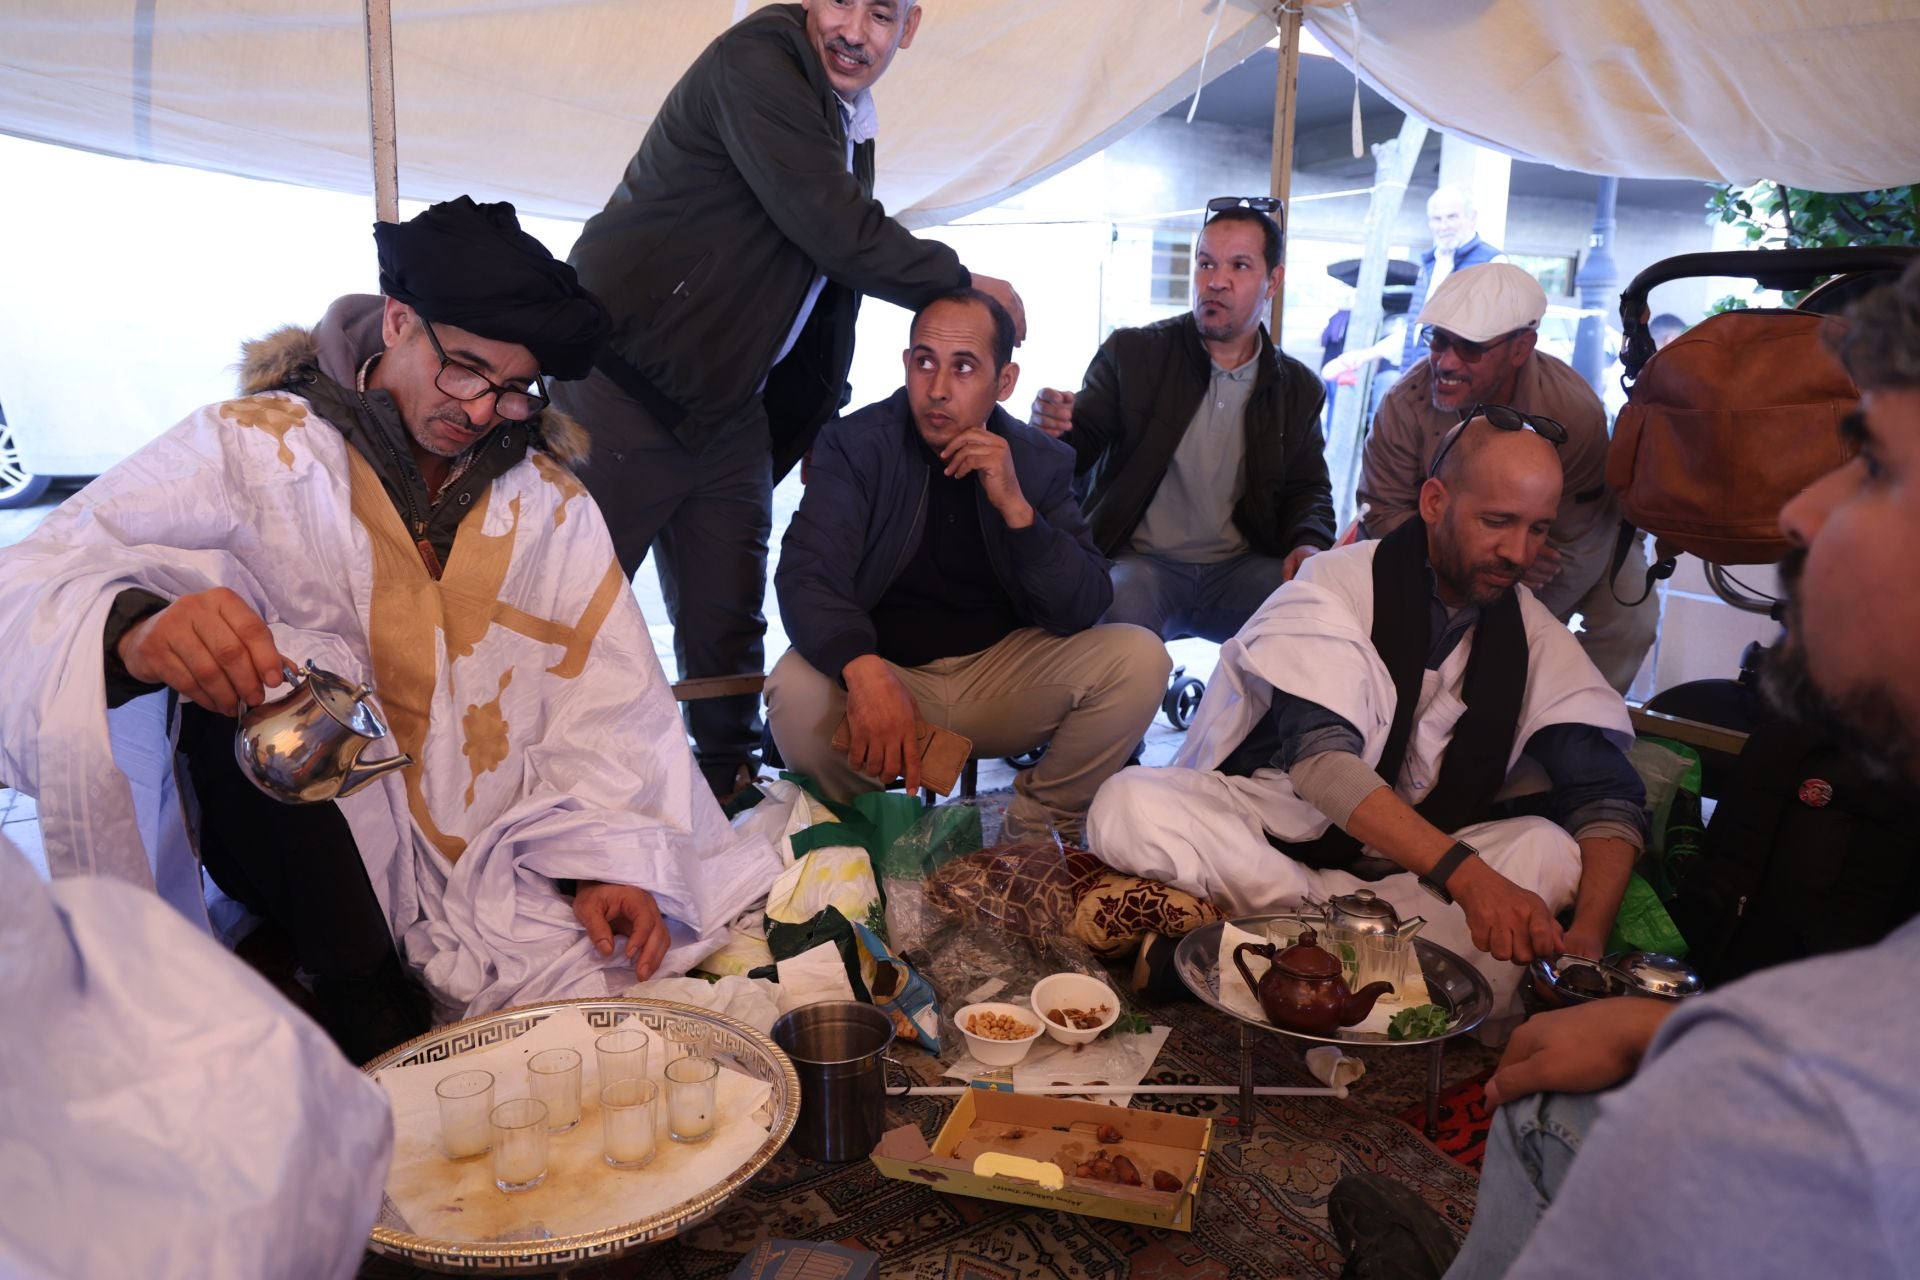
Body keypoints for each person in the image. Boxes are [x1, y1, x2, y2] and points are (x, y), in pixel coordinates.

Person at [0, 198, 783, 1062]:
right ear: (401, 322)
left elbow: (605, 702)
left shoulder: (546, 504)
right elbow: (37, 577)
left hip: (495, 860)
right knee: (278, 673)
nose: (484, 410)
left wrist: (599, 861)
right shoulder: (255, 450)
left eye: (515, 390)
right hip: (294, 839)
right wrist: (135, 629)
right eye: (465, 371)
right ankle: (363, 993)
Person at [1328, 257, 1920, 1280]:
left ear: (1521, 350)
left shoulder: (1800, 1082)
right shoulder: (1386, 470)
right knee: (1142, 807)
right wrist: (1667, 1023)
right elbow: (1321, 761)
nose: (1797, 512)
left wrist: (1649, 996)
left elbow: (1599, 773)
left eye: (1869, 464)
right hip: (1362, 759)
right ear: (1439, 500)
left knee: (1547, 927)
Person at [555, 0, 1026, 797]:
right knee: (571, 605)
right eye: (840, 1)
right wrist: (961, 286)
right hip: (623, 377)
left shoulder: (849, 117)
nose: (855, 30)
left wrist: (817, 412)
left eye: (882, 14)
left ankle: (725, 781)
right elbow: (836, 228)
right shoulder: (759, 63)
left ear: (910, 28)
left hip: (731, 404)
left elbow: (826, 282)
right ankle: (535, 783)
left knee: (728, 613)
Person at [1087, 412, 1646, 1020]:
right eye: (1497, 522)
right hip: (1277, 856)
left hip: (1404, 892)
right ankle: (1385, 982)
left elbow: (1607, 798)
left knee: (1551, 849)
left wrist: (1588, 938)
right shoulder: (1338, 584)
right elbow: (1322, 764)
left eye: (1538, 530)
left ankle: (1254, 958)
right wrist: (1471, 881)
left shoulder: (1531, 634)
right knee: (1129, 804)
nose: (1517, 552)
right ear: (1435, 501)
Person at [768, 289, 1169, 841]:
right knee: (792, 688)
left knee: (1141, 659)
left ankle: (1031, 833)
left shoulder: (1038, 460)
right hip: (889, 676)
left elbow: (1084, 604)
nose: (937, 389)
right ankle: (865, 835)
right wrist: (861, 667)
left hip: (1000, 677)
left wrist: (1019, 510)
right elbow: (806, 575)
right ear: (906, 364)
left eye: (963, 368)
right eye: (925, 362)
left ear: (1003, 383)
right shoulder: (857, 445)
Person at [1027, 200, 1335, 642]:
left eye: (1239, 266)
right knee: (1117, 617)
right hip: (1139, 565)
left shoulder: (1298, 388)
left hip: (1239, 570)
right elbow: (1076, 453)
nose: (1215, 281)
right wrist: (1048, 428)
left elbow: (1308, 489)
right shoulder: (1133, 355)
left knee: (1317, 614)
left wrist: (1309, 541)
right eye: (1206, 263)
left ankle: (1259, 716)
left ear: (1274, 281)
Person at [1358, 263, 1657, 693]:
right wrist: (1463, 565)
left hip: (1567, 540)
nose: (1445, 362)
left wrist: (1511, 608)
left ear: (1521, 348)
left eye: (1470, 348)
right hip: (1441, 545)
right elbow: (1382, 512)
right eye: (1437, 340)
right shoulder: (1405, 403)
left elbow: (1580, 543)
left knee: (1631, 617)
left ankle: (1568, 724)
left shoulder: (1574, 412)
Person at [1322, 186, 1503, 396]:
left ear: (1472, 218)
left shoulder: (1493, 264)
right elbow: (1417, 331)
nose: (1443, 226)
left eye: (1452, 217)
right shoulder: (1430, 265)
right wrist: (1365, 355)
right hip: (1422, 380)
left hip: (1462, 386)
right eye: (1437, 219)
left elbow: (1492, 336)